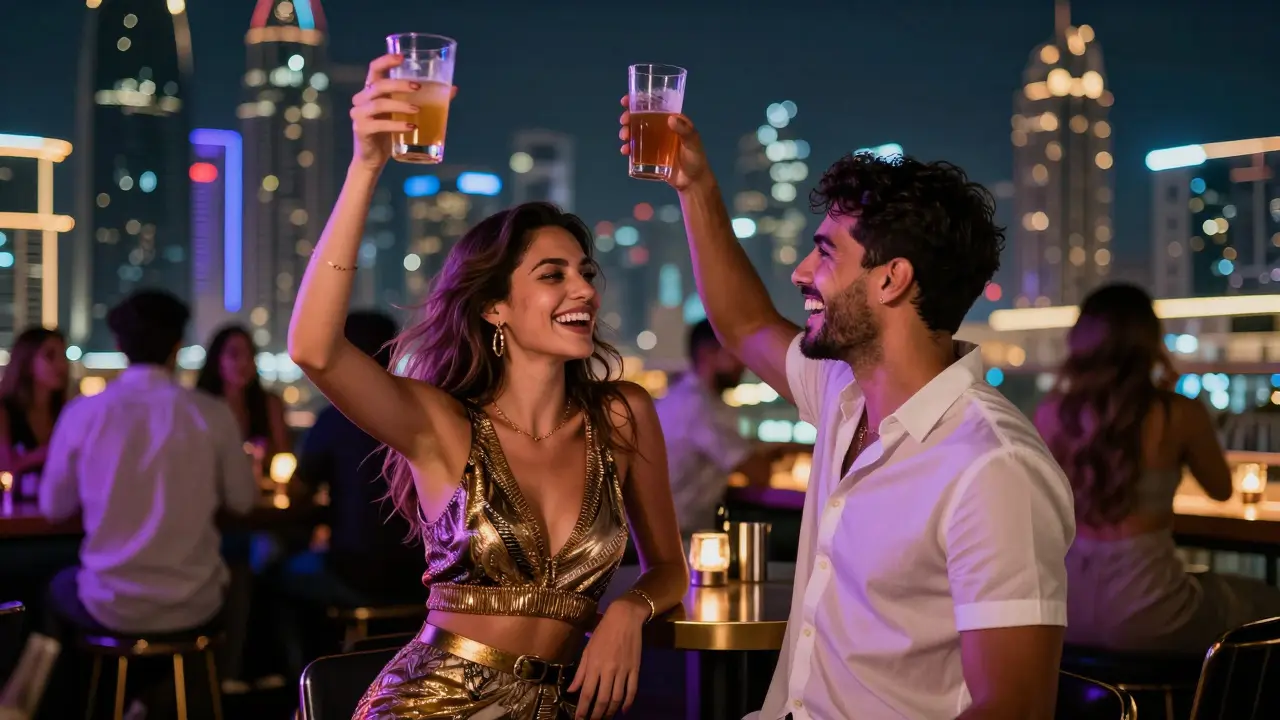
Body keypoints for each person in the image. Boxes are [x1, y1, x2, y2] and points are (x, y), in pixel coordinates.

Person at [620, 101, 1074, 719]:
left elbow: (1013, 708)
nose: (800, 272)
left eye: (826, 253)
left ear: (891, 280)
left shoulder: (995, 468)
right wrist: (694, 185)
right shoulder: (842, 393)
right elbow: (744, 323)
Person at [288, 53, 688, 720]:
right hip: (432, 703)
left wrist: (629, 610)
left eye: (586, 272)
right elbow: (314, 349)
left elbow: (669, 568)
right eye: (553, 275)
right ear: (494, 307)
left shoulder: (622, 415)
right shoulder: (440, 424)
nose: (584, 289)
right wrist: (366, 166)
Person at [1035, 282, 1280, 653]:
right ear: (1150, 342)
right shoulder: (1176, 412)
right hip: (1149, 608)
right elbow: (1221, 489)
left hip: (1064, 609)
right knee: (1266, 601)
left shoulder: (1051, 414)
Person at [39, 290, 257, 635]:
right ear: (178, 346)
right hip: (196, 603)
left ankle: (83, 673)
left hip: (108, 604)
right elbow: (243, 501)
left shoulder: (83, 413)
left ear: (119, 345)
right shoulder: (212, 414)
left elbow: (54, 508)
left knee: (56, 584)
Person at [656, 320, 778, 538]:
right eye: (735, 352)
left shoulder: (679, 397)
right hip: (679, 539)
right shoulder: (701, 408)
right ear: (708, 354)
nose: (744, 362)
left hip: (662, 535)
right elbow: (759, 473)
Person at [196, 324, 290, 460]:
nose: (244, 362)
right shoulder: (200, 407)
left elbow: (283, 455)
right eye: (234, 355)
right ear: (217, 359)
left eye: (250, 355)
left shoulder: (269, 405)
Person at [0, 327, 70, 490]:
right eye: (50, 356)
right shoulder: (5, 411)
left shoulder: (66, 411)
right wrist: (49, 452)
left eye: (63, 356)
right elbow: (5, 464)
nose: (61, 365)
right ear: (27, 361)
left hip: (59, 502)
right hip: (16, 503)